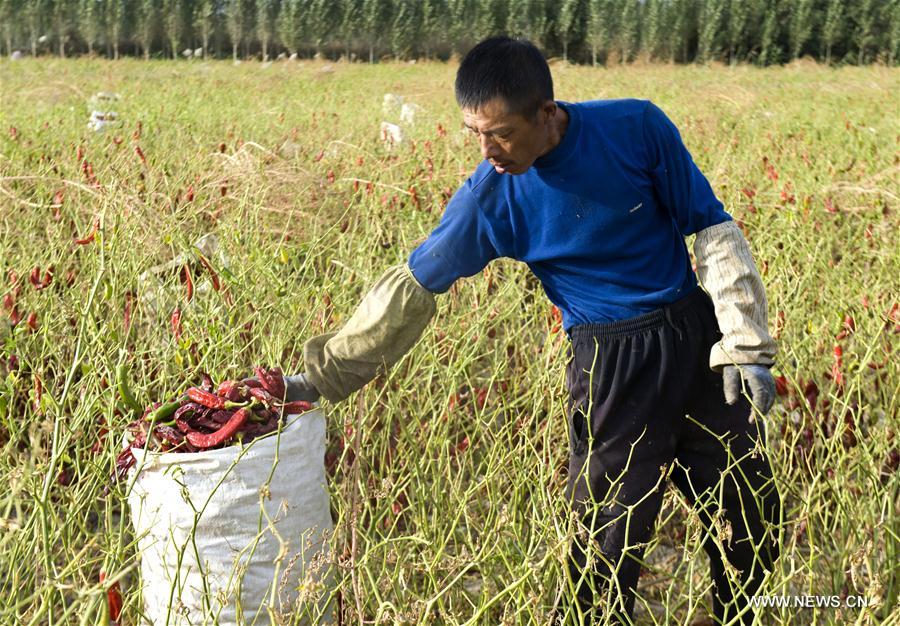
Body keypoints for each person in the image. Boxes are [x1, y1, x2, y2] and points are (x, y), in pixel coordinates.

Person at [280, 36, 781, 625]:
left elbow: (712, 229)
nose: (490, 150)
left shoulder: (636, 128)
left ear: (546, 113)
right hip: (611, 367)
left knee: (749, 513)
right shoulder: (491, 200)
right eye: (476, 134)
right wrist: (320, 377)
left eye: (502, 132)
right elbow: (412, 288)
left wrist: (745, 344)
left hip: (694, 338)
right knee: (606, 543)